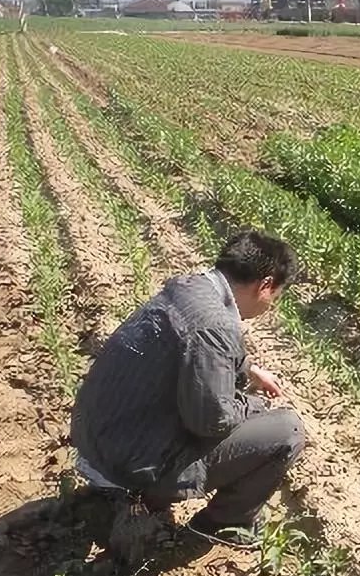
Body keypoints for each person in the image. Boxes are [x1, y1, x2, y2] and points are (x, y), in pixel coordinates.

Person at [70, 230, 305, 549]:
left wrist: (249, 369)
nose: (270, 305)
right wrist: (251, 405)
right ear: (264, 285)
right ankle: (224, 524)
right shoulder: (216, 327)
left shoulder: (188, 289)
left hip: (94, 440)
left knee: (233, 403)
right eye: (274, 297)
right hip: (124, 466)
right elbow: (211, 421)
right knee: (286, 430)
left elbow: (187, 343)